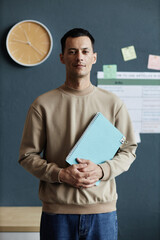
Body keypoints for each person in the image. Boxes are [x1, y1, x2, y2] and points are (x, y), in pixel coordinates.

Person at [18, 28, 137, 240]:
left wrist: (102, 170)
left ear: (94, 57)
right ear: (62, 58)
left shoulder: (114, 103)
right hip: (57, 214)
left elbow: (129, 150)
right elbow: (27, 156)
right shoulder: (42, 104)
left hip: (103, 213)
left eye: (84, 51)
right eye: (72, 52)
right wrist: (61, 174)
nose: (79, 57)